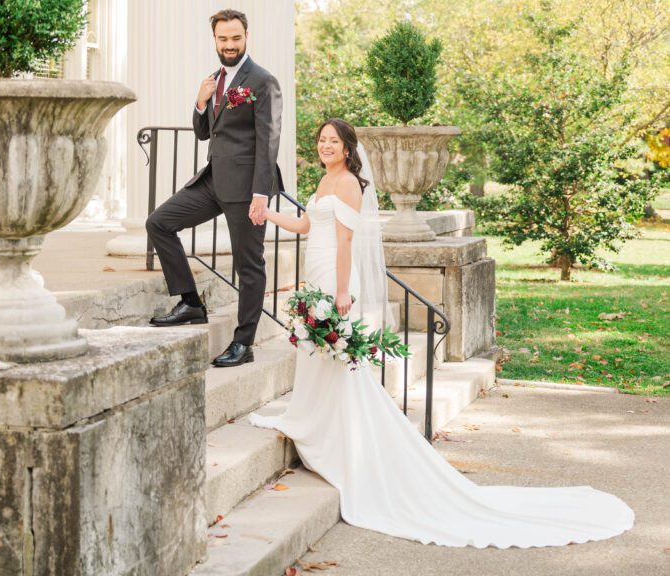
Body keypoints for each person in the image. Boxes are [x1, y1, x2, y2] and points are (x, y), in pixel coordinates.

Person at [248, 117, 635, 549]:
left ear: (347, 146)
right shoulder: (324, 180)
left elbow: (343, 244)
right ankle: (314, 419)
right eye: (321, 140)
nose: (325, 146)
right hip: (318, 271)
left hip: (336, 278)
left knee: (336, 357)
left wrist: (341, 292)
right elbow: (307, 227)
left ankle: (337, 437)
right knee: (319, 354)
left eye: (333, 141)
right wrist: (269, 214)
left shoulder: (350, 185)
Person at [146, 8, 282, 368]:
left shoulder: (263, 81)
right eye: (223, 39)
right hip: (212, 181)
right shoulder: (214, 79)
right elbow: (206, 131)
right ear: (215, 40)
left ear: (246, 37)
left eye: (236, 38)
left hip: (247, 189)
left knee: (248, 265)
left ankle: (244, 342)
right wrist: (200, 101)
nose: (230, 44)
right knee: (159, 223)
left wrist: (260, 195)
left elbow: (269, 141)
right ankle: (191, 302)